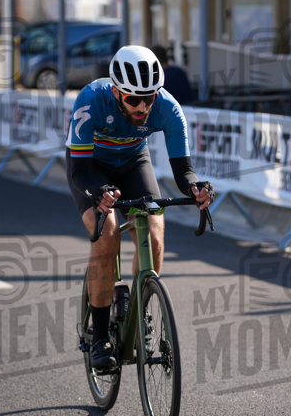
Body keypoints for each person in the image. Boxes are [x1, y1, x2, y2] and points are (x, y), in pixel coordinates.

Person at [66, 45, 212, 370]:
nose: (143, 106)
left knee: (156, 232)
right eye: (133, 99)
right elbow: (78, 170)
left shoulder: (168, 109)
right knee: (107, 235)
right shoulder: (90, 100)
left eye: (150, 97)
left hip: (134, 163)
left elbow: (183, 170)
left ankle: (142, 308)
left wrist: (196, 189)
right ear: (116, 92)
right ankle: (101, 338)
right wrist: (99, 191)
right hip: (91, 168)